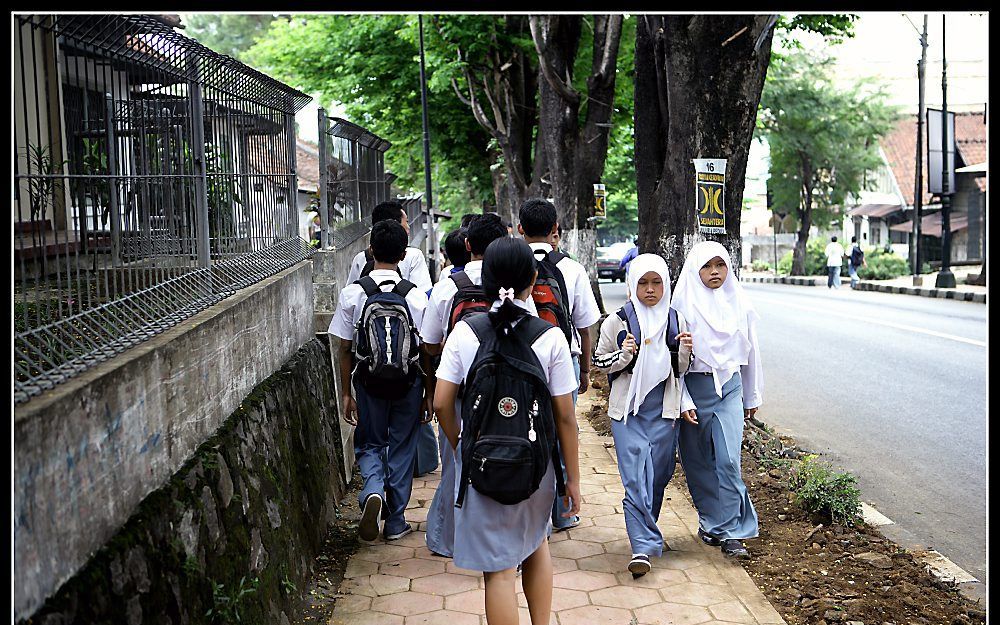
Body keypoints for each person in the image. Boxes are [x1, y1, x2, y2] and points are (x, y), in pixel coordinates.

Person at [433, 237, 580, 625]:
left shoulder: (466, 332)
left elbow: (441, 403)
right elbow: (565, 416)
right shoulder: (549, 336)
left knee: (498, 571)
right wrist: (573, 481)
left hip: (482, 461)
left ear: (486, 279)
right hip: (536, 465)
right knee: (536, 545)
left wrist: (462, 444)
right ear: (533, 278)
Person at [591, 254, 692, 577]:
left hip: (663, 411)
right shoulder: (617, 321)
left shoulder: (677, 320)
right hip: (628, 413)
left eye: (656, 282)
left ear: (666, 284)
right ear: (632, 285)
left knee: (658, 476)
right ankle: (642, 547)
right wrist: (624, 356)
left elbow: (680, 370)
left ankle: (646, 529)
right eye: (643, 283)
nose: (650, 290)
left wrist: (687, 351)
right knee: (635, 479)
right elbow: (599, 362)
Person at [329, 219, 430, 542]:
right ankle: (396, 521)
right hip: (408, 383)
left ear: (371, 251)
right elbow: (427, 350)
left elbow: (344, 348)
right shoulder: (415, 297)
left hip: (368, 383)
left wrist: (346, 393)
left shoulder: (353, 294)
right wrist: (428, 393)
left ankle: (373, 490)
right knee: (401, 447)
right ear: (403, 255)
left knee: (371, 442)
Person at [420, 213, 508, 558]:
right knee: (501, 459)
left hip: (457, 391)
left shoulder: (447, 286)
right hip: (501, 391)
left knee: (456, 463)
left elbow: (428, 343)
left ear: (467, 245)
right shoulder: (509, 284)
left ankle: (449, 541)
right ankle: (496, 539)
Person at [672, 241, 762, 560]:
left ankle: (734, 531)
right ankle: (712, 522)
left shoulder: (740, 303)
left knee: (727, 460)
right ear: (696, 270)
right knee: (697, 463)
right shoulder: (681, 306)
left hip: (729, 389)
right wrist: (682, 401)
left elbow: (752, 353)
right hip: (694, 390)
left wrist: (752, 394)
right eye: (708, 266)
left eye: (720, 265)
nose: (714, 272)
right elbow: (672, 363)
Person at [518, 198, 601, 531]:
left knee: (529, 430)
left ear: (520, 228)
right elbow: (585, 324)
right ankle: (564, 511)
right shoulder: (572, 267)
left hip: (522, 358)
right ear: (555, 230)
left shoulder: (512, 263)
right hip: (563, 358)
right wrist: (585, 369)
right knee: (563, 428)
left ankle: (533, 512)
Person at [346, 201, 433, 292]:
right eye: (406, 222)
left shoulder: (361, 258)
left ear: (371, 250)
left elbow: (350, 294)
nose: (408, 227)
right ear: (394, 224)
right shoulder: (414, 255)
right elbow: (424, 293)